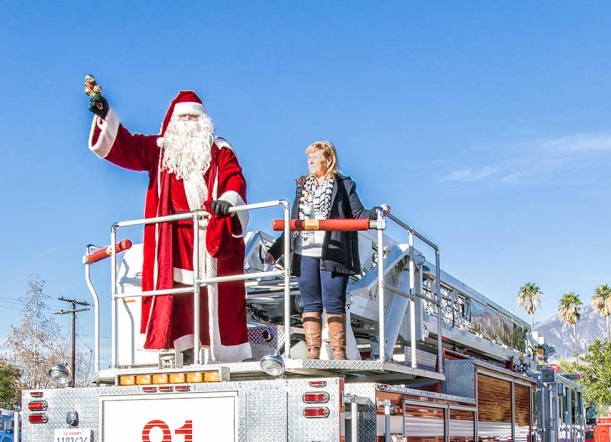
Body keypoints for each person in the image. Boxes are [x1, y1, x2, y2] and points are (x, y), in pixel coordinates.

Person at [86, 82, 251, 362]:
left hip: (209, 232)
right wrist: (105, 114)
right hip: (172, 237)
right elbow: (124, 145)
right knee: (176, 295)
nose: (188, 122)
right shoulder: (159, 150)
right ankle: (181, 349)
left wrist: (229, 199)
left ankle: (215, 351)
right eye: (183, 117)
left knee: (213, 294)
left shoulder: (220, 149)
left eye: (194, 117)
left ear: (204, 121)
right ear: (173, 121)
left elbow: (234, 176)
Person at [267, 141, 389, 360]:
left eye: (315, 157)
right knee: (310, 302)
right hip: (305, 251)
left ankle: (338, 353)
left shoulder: (344, 184)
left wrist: (376, 213)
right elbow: (293, 222)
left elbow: (358, 213)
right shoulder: (303, 185)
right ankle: (313, 352)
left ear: (328, 159)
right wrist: (276, 250)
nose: (310, 161)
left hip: (333, 250)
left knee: (333, 302)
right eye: (308, 158)